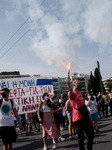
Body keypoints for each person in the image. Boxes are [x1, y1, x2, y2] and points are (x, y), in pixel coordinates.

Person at [67, 71, 94, 150]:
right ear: (74, 84)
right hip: (78, 119)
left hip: (84, 116)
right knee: (81, 137)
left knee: (91, 134)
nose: (80, 84)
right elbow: (69, 86)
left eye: (80, 83)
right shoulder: (72, 94)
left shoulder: (80, 93)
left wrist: (89, 117)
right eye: (78, 83)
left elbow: (84, 107)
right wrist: (68, 79)